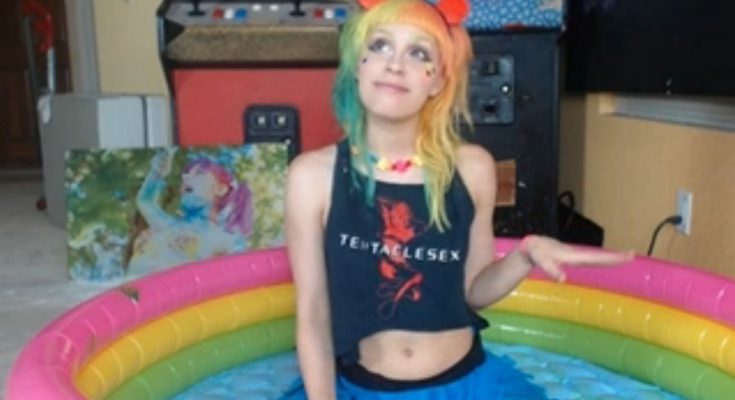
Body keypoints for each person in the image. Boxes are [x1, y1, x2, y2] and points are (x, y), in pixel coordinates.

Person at [283, 0, 632, 398]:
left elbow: (473, 293)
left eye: (419, 53)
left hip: (471, 386)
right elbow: (313, 316)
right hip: (361, 388)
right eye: (380, 46)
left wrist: (525, 255)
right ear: (356, 65)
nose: (395, 64)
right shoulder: (311, 176)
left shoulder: (472, 168)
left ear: (438, 80)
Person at [127, 149, 253, 276]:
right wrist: (156, 173)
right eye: (185, 176)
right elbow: (145, 201)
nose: (186, 178)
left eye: (199, 173)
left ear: (220, 189)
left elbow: (241, 275)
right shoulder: (168, 225)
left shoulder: (228, 241)